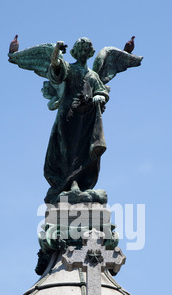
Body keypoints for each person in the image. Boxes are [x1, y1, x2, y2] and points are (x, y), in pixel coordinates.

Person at [43, 38, 110, 204]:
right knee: (67, 149)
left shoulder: (93, 75)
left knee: (83, 151)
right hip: (68, 115)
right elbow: (56, 67)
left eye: (85, 50)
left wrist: (99, 96)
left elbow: (102, 92)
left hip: (86, 118)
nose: (82, 53)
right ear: (75, 52)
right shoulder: (69, 68)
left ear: (89, 53)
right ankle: (68, 184)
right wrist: (56, 51)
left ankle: (81, 184)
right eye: (79, 50)